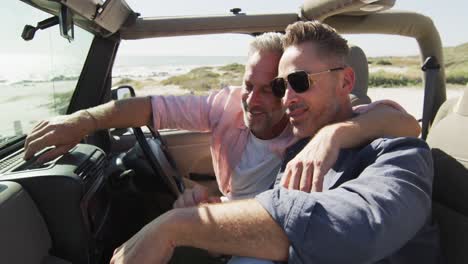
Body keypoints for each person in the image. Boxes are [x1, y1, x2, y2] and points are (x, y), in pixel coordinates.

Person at [110, 21, 439, 264]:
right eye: (282, 87)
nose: (288, 99)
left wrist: (178, 226)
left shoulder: (396, 151)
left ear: (346, 80)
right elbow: (274, 217)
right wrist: (212, 213)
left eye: (300, 82)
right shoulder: (298, 150)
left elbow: (358, 230)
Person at [23, 33, 418, 204]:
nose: (253, 100)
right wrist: (81, 121)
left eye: (275, 88)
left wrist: (336, 136)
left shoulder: (311, 120)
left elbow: (405, 124)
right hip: (234, 214)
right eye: (249, 85)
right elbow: (147, 106)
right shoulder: (225, 106)